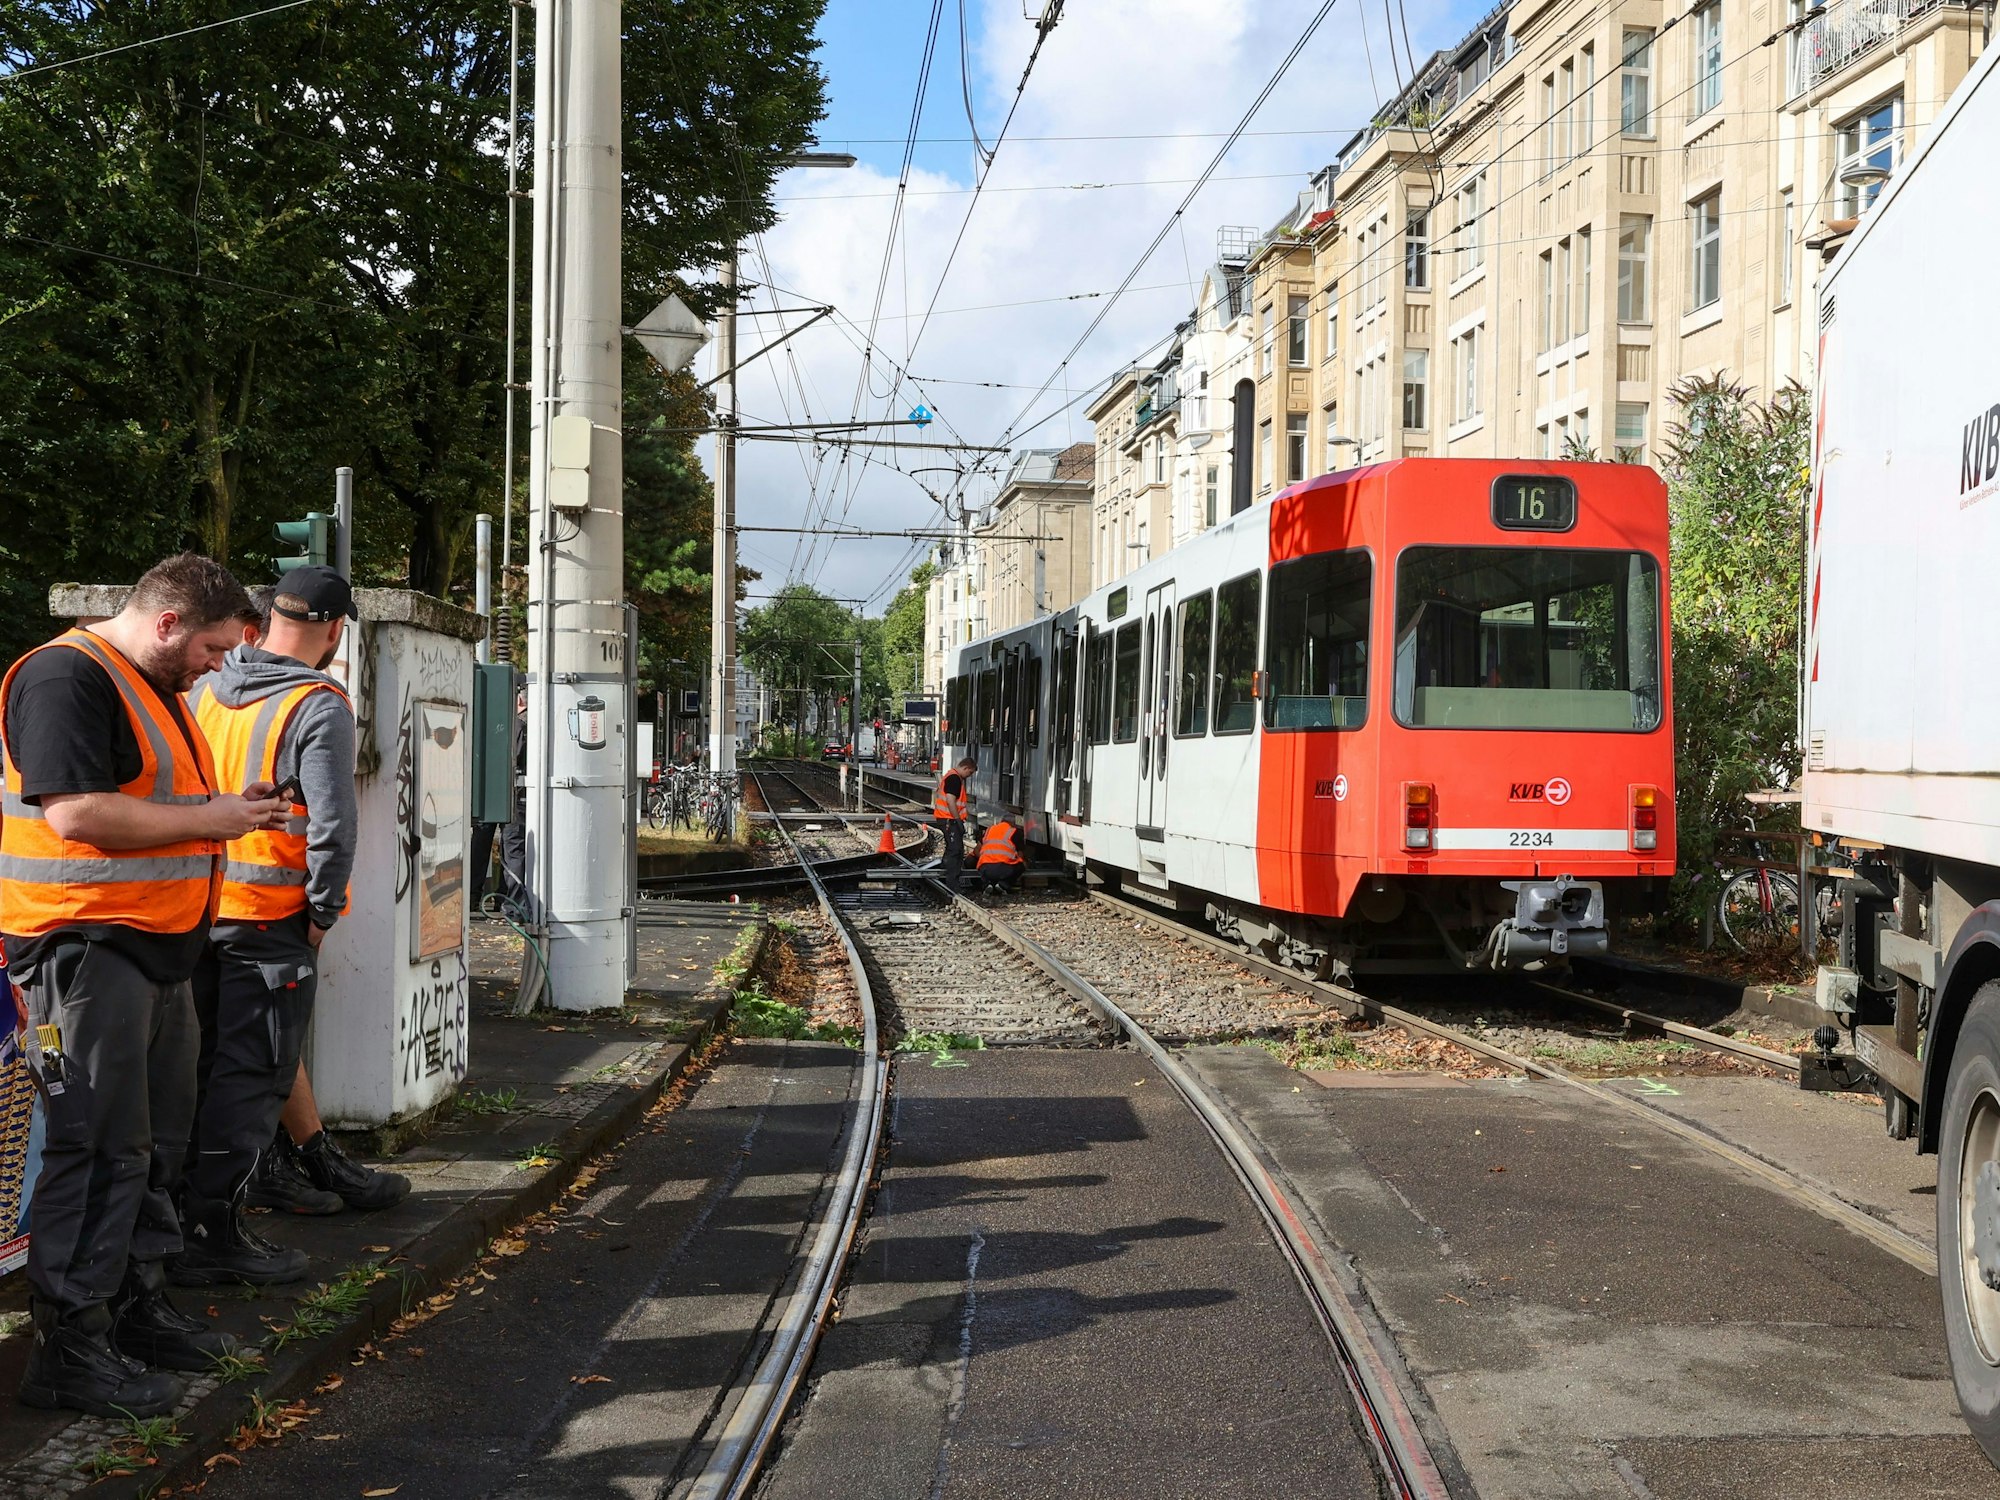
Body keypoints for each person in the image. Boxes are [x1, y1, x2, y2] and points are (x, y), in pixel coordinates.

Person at [0, 554, 276, 1417]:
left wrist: (226, 811)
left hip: (149, 950)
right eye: (211, 648)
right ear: (165, 623)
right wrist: (213, 818)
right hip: (84, 949)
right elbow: (74, 813)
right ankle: (70, 1349)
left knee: (152, 1144)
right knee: (96, 1146)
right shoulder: (65, 676)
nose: (216, 666)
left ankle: (134, 1311)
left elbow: (147, 806)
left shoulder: (150, 685)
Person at [177, 565, 378, 1275]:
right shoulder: (317, 704)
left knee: (199, 1073)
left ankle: (183, 1224)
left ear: (264, 621)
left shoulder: (206, 686)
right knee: (250, 1079)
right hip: (270, 921)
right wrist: (322, 910)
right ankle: (213, 1238)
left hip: (197, 911)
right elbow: (333, 827)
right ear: (335, 630)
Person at [932, 756, 977, 889]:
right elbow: (950, 800)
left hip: (947, 819)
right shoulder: (954, 779)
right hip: (949, 820)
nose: (969, 776)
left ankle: (944, 878)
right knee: (955, 850)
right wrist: (957, 820)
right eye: (970, 773)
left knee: (954, 849)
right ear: (965, 768)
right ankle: (951, 884)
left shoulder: (952, 776)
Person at [975, 817, 1025, 896]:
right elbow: (1020, 854)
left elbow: (976, 850)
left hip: (985, 867)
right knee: (1020, 865)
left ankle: (987, 884)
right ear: (1012, 823)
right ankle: (1003, 884)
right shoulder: (1014, 831)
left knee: (985, 866)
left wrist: (984, 858)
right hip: (1004, 868)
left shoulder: (989, 830)